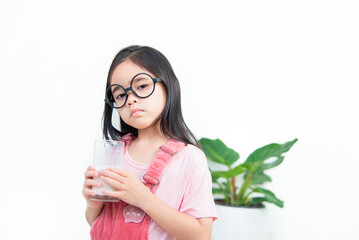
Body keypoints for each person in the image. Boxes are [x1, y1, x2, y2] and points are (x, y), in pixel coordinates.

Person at [82, 45, 217, 240]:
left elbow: (201, 235)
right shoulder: (114, 152)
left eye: (142, 86)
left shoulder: (190, 159)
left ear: (168, 86)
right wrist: (93, 205)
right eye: (120, 94)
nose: (130, 100)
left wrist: (143, 198)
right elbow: (98, 225)